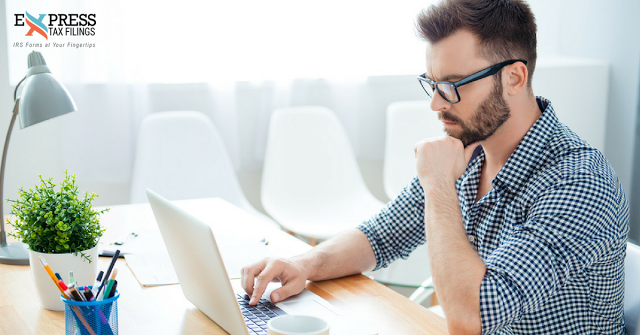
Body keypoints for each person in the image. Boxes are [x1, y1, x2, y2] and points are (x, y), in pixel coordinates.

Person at [241, 0, 630, 334]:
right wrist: (301, 264)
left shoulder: (580, 182)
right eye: (433, 84)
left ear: (514, 76)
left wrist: (438, 184)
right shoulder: (469, 149)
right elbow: (381, 236)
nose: (436, 104)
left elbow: (470, 318)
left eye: (454, 84)